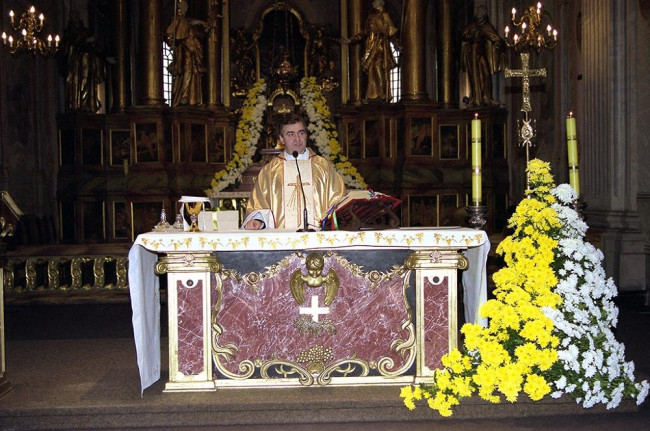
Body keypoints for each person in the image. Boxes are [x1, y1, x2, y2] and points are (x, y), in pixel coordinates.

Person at [243, 113, 347, 230]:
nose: (297, 139)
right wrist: (258, 220)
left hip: (318, 238)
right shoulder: (270, 171)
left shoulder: (323, 167)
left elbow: (338, 201)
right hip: (281, 241)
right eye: (290, 134)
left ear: (306, 135)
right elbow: (259, 205)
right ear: (281, 139)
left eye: (301, 133)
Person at [58, 9, 107, 113]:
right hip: (75, 65)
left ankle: (88, 105)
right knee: (77, 84)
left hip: (87, 63)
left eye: (77, 16)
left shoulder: (86, 31)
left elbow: (96, 47)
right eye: (73, 16)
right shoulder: (68, 33)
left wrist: (104, 56)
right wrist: (84, 41)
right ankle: (75, 105)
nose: (75, 18)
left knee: (87, 83)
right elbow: (67, 47)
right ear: (70, 19)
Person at [353, 0, 400, 102]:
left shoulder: (385, 15)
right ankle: (374, 95)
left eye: (375, 1)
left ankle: (383, 93)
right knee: (372, 70)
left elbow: (391, 31)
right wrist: (351, 40)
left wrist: (397, 45)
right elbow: (363, 32)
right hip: (371, 46)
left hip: (381, 46)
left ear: (381, 3)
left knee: (379, 68)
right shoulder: (371, 17)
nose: (373, 3)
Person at [460, 5, 506, 107]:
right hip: (472, 53)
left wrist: (498, 44)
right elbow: (464, 35)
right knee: (474, 76)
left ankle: (487, 97)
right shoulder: (472, 25)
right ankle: (475, 98)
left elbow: (495, 37)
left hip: (481, 53)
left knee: (486, 74)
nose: (480, 13)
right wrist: (471, 35)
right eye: (479, 11)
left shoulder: (486, 25)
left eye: (482, 11)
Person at [164, 1, 207, 107]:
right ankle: (183, 96)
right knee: (186, 72)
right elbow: (169, 34)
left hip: (193, 54)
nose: (185, 8)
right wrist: (171, 42)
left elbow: (198, 29)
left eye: (186, 6)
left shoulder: (188, 21)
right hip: (184, 53)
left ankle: (193, 99)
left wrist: (200, 23)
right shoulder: (178, 20)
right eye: (184, 6)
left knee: (194, 74)